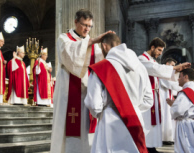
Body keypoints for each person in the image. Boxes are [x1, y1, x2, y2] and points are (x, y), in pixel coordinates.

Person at [50, 9, 112, 153]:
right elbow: (69, 54)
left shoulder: (93, 44)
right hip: (68, 92)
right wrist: (92, 41)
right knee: (67, 128)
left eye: (89, 26)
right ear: (75, 22)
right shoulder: (64, 39)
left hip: (87, 94)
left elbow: (101, 65)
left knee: (85, 130)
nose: (87, 29)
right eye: (84, 25)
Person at [84, 33, 153, 153]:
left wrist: (102, 113)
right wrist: (133, 108)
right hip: (135, 120)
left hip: (110, 122)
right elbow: (148, 100)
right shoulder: (140, 67)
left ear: (104, 46)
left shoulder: (102, 68)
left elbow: (94, 104)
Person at [138, 37, 191, 153]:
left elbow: (162, 73)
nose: (160, 53)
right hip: (145, 96)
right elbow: (155, 69)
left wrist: (176, 70)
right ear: (152, 47)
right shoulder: (141, 59)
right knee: (146, 122)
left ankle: (151, 146)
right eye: (159, 50)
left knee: (153, 123)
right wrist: (174, 68)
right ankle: (146, 146)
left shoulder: (152, 61)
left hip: (154, 95)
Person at [166, 68, 194, 153]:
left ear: (185, 77)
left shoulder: (185, 92)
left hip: (185, 124)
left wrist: (172, 105)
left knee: (187, 148)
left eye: (180, 76)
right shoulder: (193, 90)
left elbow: (178, 111)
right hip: (192, 123)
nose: (178, 79)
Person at [159, 58, 182, 145]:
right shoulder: (162, 72)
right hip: (163, 97)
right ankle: (164, 138)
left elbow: (174, 80)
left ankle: (168, 137)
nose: (173, 67)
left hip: (168, 95)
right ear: (167, 63)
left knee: (168, 116)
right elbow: (171, 84)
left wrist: (177, 72)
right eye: (172, 65)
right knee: (165, 116)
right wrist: (184, 87)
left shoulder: (168, 73)